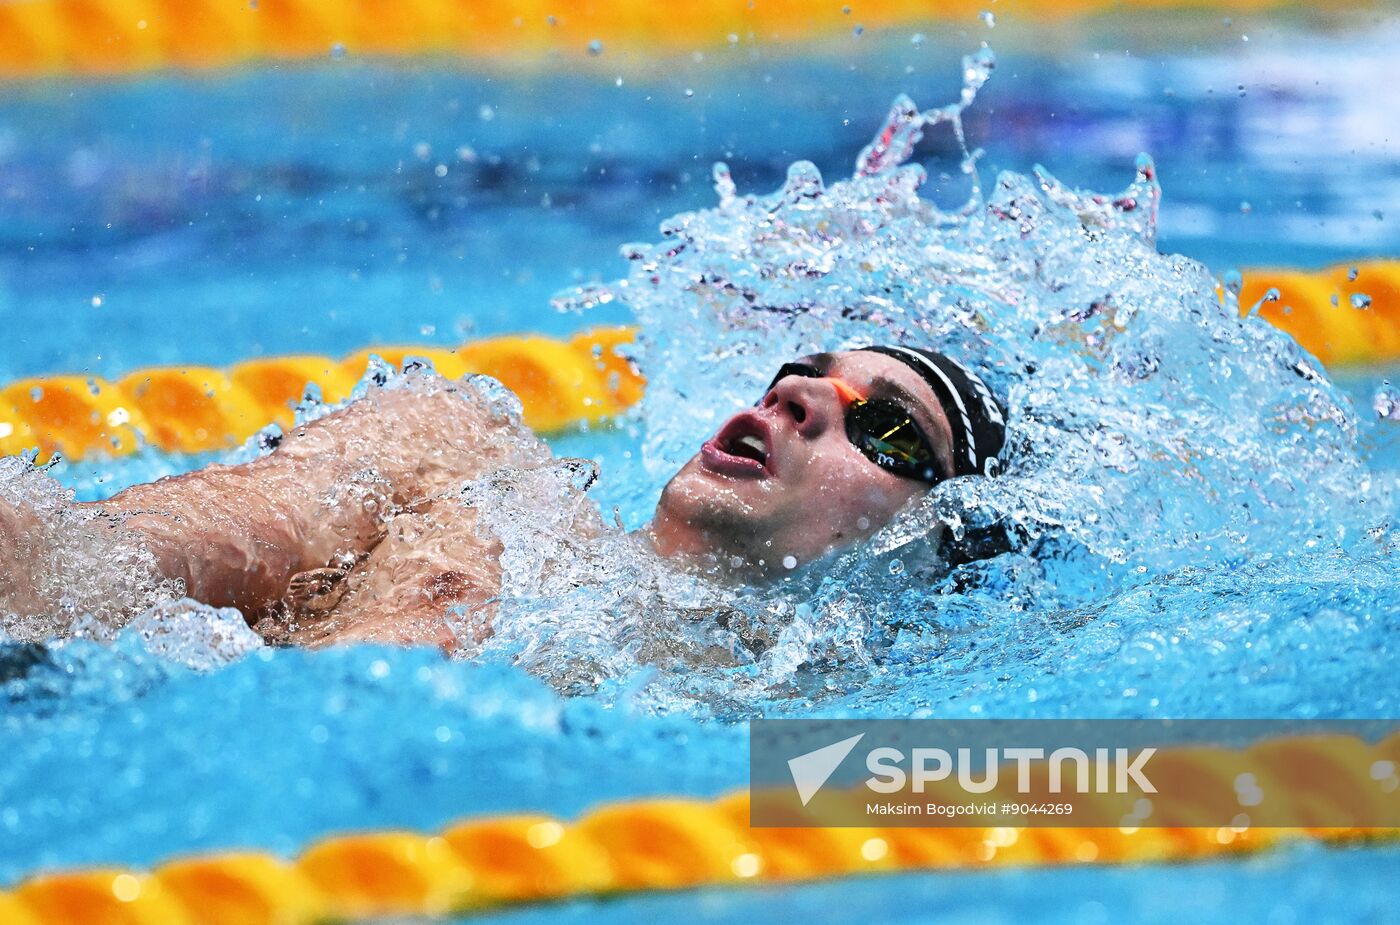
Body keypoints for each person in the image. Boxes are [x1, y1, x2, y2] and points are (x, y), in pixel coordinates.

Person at [1, 345, 1005, 650]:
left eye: (887, 428)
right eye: (800, 372)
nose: (795, 397)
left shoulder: (802, 750)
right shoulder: (458, 455)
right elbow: (84, 567)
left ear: (929, 541)